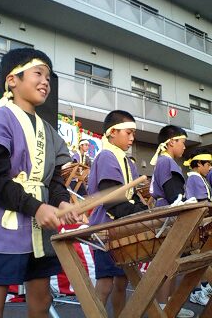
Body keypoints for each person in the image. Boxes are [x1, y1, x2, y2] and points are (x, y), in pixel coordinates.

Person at [0, 48, 79, 318]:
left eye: (49, 77)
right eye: (38, 73)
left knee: (41, 303)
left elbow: (53, 181)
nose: (46, 82)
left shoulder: (49, 132)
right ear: (12, 80)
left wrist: (62, 201)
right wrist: (37, 207)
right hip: (4, 224)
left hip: (39, 230)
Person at [88, 110, 148, 318]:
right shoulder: (106, 156)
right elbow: (113, 199)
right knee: (105, 283)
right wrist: (140, 212)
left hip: (122, 226)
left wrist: (143, 209)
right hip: (106, 228)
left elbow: (132, 196)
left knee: (122, 281)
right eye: (128, 133)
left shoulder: (128, 161)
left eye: (133, 134)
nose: (132, 138)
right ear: (112, 132)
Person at [149, 125, 194, 318]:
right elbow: (175, 196)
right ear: (172, 142)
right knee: (168, 263)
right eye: (182, 142)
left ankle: (167, 305)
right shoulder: (167, 162)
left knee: (170, 263)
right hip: (168, 215)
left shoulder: (163, 162)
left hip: (164, 212)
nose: (184, 147)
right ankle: (163, 308)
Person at [183, 148, 212, 306]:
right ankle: (199, 290)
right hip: (198, 226)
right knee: (198, 259)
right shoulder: (194, 178)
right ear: (199, 163)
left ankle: (202, 288)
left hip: (201, 225)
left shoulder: (199, 177)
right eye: (208, 164)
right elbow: (203, 203)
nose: (210, 167)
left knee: (199, 259)